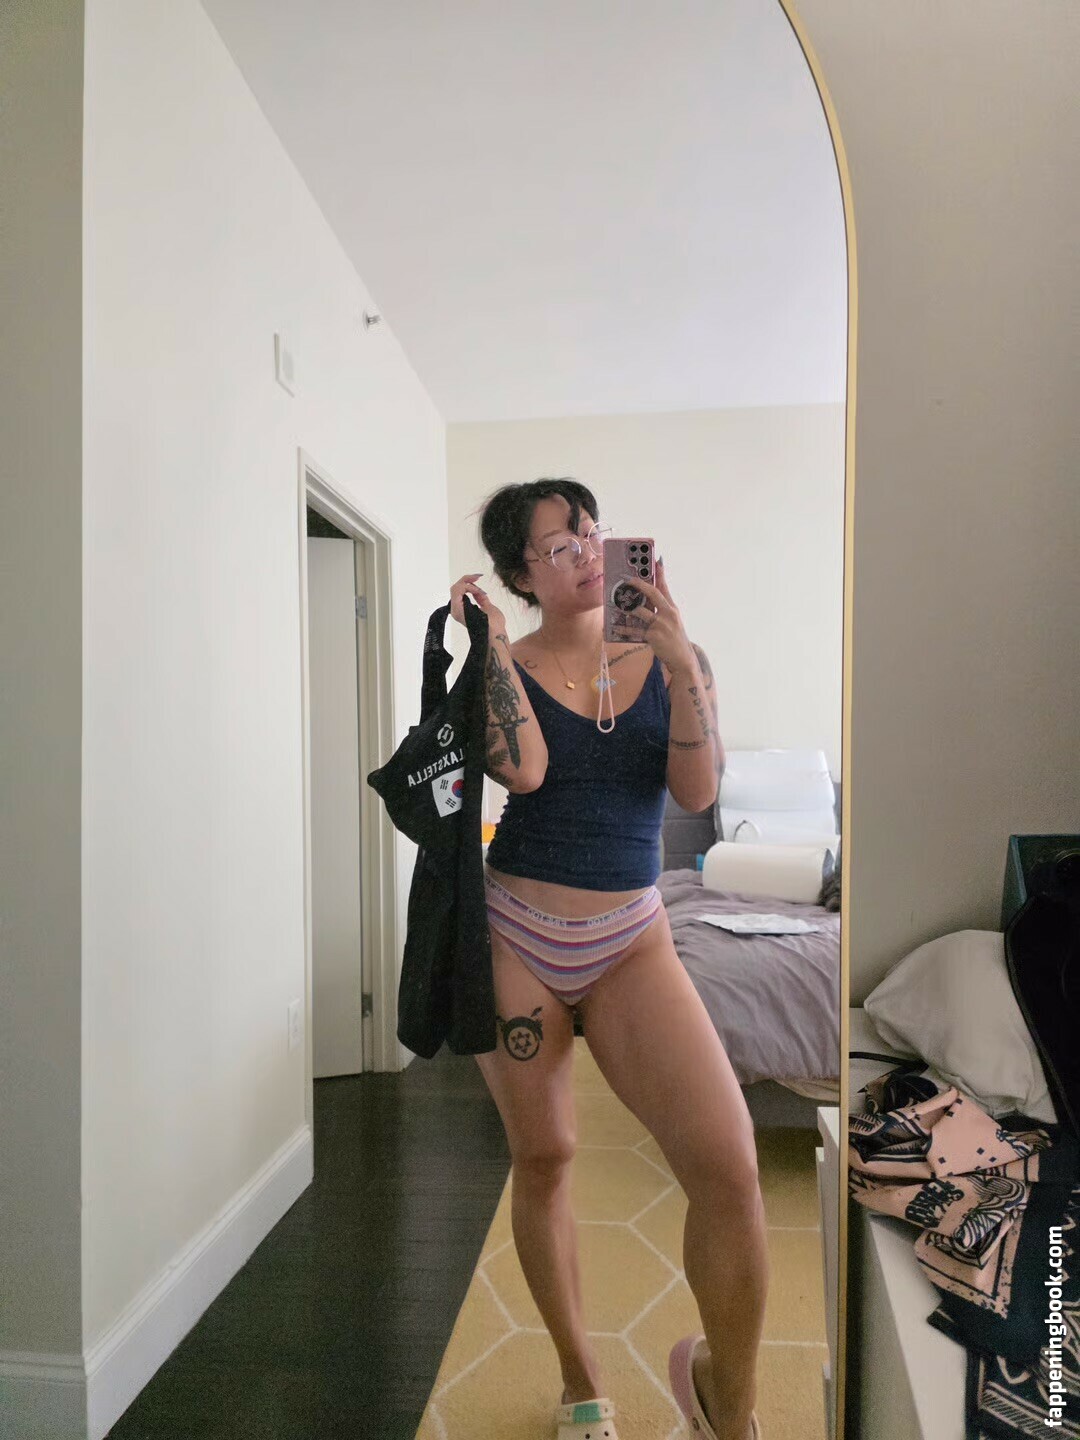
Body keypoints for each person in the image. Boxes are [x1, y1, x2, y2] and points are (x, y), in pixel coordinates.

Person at [448, 477, 769, 1440]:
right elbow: (527, 771)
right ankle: (580, 1378)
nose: (586, 552)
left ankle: (728, 1399)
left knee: (730, 1168)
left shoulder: (675, 658)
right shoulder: (504, 663)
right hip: (518, 934)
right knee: (545, 1155)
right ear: (520, 577)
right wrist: (489, 649)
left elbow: (697, 791)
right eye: (557, 546)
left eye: (590, 532)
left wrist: (677, 655)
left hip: (632, 938)